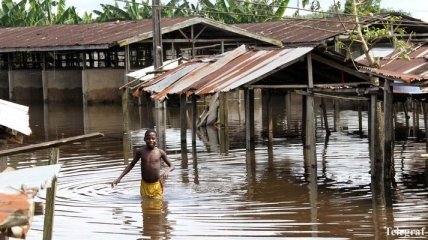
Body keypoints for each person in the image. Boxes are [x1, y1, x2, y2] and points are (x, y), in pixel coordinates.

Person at [111, 129, 174, 199]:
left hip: (156, 185)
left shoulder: (160, 152)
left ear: (156, 139)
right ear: (144, 139)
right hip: (144, 185)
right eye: (148, 139)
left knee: (158, 206)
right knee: (144, 206)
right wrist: (119, 178)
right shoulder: (141, 151)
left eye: (153, 138)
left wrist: (168, 170)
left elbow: (172, 166)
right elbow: (131, 165)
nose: (151, 140)